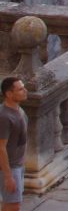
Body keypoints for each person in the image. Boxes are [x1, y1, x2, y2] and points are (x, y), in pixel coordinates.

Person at [0, 77, 28, 211]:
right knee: (13, 206)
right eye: (20, 89)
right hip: (10, 167)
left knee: (10, 205)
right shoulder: (4, 117)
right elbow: (1, 148)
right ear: (9, 94)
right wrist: (8, 176)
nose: (25, 91)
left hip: (18, 164)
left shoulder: (19, 109)